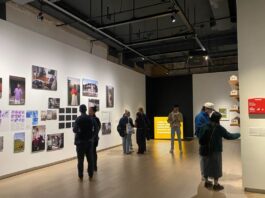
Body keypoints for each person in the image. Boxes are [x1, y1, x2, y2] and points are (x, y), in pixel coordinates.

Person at [199, 111, 240, 191]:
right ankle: (216, 184)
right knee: (216, 166)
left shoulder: (204, 126)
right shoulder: (219, 128)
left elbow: (199, 136)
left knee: (205, 165)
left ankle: (207, 182)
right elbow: (229, 136)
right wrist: (239, 134)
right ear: (218, 119)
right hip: (215, 150)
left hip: (204, 149)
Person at [73, 104, 98, 181]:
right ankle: (90, 174)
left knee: (80, 160)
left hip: (80, 143)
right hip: (89, 143)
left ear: (80, 110)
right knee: (90, 159)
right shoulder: (91, 119)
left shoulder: (78, 119)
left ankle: (80, 175)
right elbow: (96, 129)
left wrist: (79, 131)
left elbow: (74, 130)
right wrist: (92, 138)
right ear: (86, 110)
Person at [195, 102, 215, 180]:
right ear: (206, 109)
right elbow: (199, 128)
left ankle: (208, 173)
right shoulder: (199, 117)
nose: (211, 112)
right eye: (211, 110)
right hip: (203, 139)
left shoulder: (207, 116)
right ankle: (203, 174)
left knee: (208, 157)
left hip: (208, 139)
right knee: (203, 157)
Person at [89, 106, 101, 172]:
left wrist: (94, 136)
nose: (89, 111)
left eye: (90, 110)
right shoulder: (88, 118)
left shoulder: (96, 119)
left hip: (94, 139)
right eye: (89, 110)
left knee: (93, 152)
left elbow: (98, 128)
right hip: (90, 139)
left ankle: (94, 166)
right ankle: (91, 166)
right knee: (90, 153)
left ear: (93, 112)